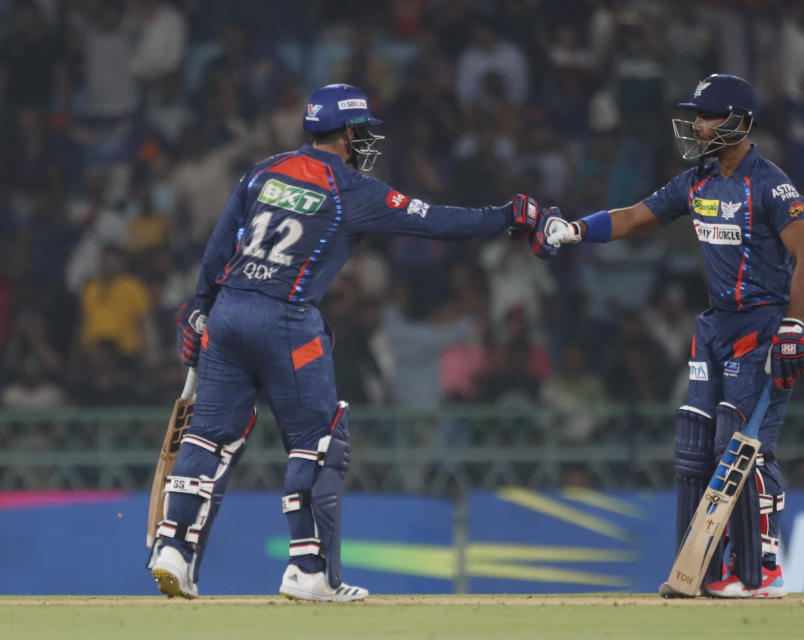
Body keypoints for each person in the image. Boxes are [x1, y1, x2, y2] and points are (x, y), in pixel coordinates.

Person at [146, 83, 545, 601]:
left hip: (227, 313)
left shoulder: (264, 171)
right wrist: (508, 214)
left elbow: (220, 244)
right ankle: (310, 571)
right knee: (317, 441)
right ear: (350, 133)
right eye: (364, 134)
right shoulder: (352, 190)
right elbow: (440, 223)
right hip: (285, 320)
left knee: (208, 437)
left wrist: (200, 307)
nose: (367, 144)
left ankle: (174, 551)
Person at [540, 74, 804, 598]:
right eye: (696, 114)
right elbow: (634, 217)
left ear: (739, 122)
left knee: (744, 448)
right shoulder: (697, 179)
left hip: (762, 326)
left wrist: (793, 325)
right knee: (697, 449)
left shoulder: (771, 185)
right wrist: (576, 230)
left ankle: (762, 571)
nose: (696, 124)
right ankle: (705, 570)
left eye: (708, 115)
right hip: (716, 326)